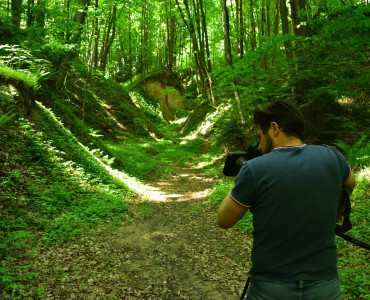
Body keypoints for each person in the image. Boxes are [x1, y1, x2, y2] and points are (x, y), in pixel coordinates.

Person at [217, 101, 356, 300]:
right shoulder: (333, 157)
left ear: (274, 128)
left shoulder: (254, 169)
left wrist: (243, 174)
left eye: (260, 136)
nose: (259, 146)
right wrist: (334, 211)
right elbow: (350, 184)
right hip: (325, 284)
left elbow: (223, 220)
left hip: (271, 286)